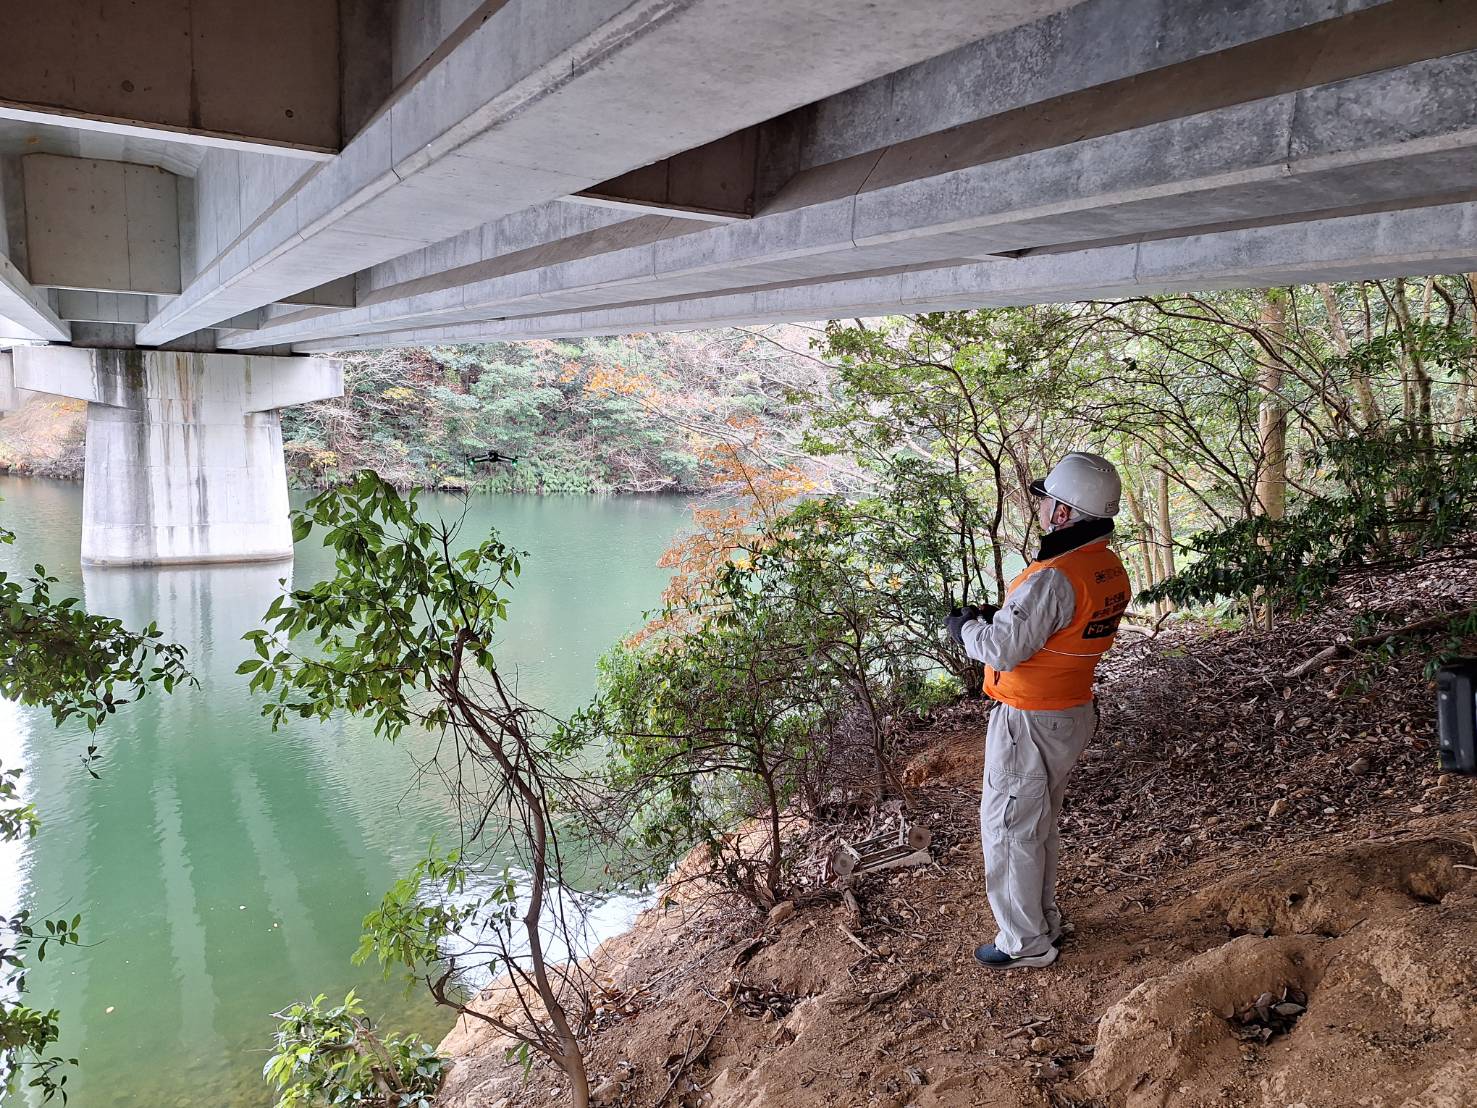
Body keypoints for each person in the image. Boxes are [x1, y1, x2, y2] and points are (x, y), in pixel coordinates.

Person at [943, 452, 1129, 969]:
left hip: (1030, 720)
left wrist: (966, 630)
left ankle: (1024, 941)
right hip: (1069, 711)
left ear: (1065, 514)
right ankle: (1042, 921)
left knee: (1009, 827)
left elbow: (1003, 650)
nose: (1042, 506)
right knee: (1037, 821)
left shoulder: (1055, 576)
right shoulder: (1105, 567)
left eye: (1047, 499)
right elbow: (1054, 629)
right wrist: (999, 617)